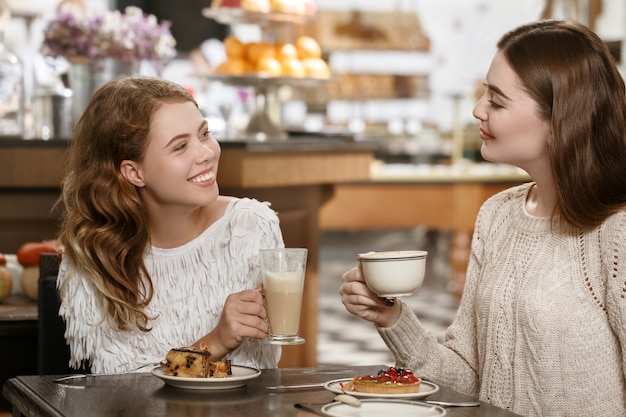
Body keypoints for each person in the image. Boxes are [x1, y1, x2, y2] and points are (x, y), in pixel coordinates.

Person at [339, 20, 626, 417]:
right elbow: (470, 380)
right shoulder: (497, 215)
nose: (477, 109)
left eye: (497, 100)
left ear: (561, 118)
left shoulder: (616, 233)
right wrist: (392, 317)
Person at [56, 76, 284, 373]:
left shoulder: (252, 226)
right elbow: (118, 391)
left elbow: (267, 368)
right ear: (134, 172)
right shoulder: (92, 256)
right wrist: (215, 342)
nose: (206, 153)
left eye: (204, 134)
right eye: (180, 147)